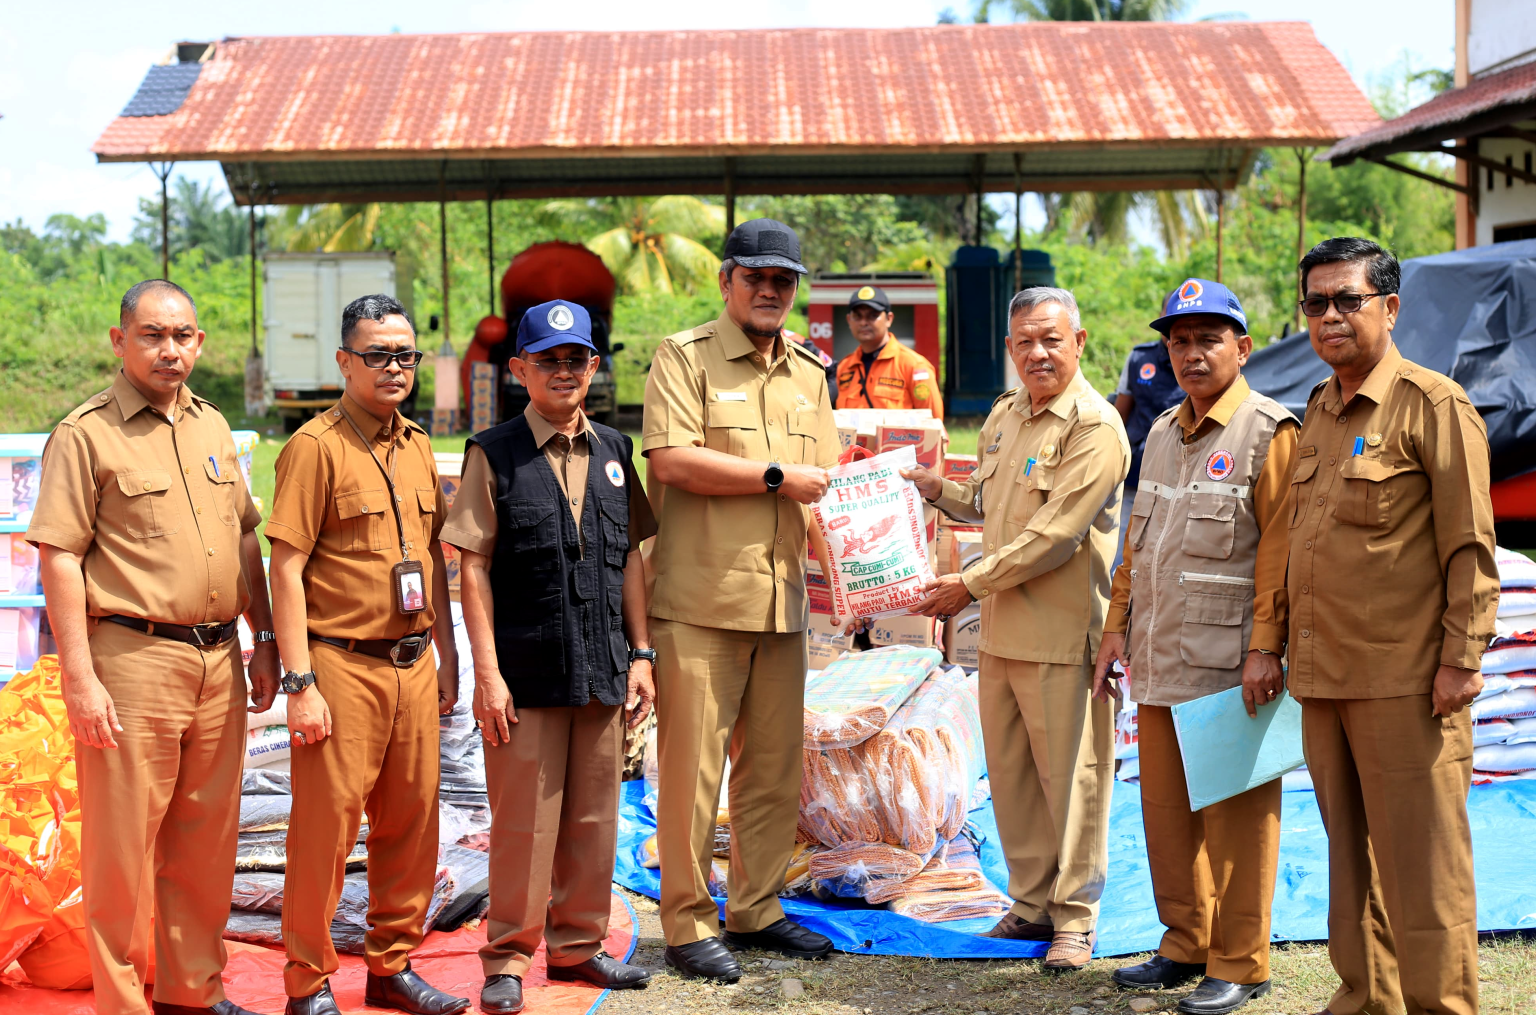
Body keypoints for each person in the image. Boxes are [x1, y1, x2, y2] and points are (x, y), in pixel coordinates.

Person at [28, 279, 279, 1015]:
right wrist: (80, 676)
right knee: (123, 856)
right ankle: (125, 1003)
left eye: (183, 336)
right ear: (120, 340)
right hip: (132, 661)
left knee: (204, 844)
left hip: (217, 660)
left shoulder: (211, 427)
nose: (170, 349)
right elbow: (60, 556)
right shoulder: (87, 433)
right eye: (152, 335)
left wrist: (262, 638)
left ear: (199, 342)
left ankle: (191, 993)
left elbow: (243, 538)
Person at [1286, 238, 1497, 1015]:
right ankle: (1365, 999)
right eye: (1317, 302)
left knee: (1424, 869)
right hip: (1324, 682)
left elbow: (1470, 545)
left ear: (1390, 307)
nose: (1331, 316)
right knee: (1349, 865)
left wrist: (1461, 661)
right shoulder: (1318, 409)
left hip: (1407, 684)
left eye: (1349, 299)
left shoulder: (1434, 405)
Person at [441, 300, 658, 1014]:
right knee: (524, 824)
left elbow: (630, 558)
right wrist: (489, 673)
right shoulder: (492, 451)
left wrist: (642, 653)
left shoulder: (617, 453)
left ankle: (577, 946)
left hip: (600, 663)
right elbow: (471, 566)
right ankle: (506, 957)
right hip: (525, 670)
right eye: (548, 359)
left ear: (594, 366)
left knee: (595, 819)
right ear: (519, 370)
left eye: (576, 359)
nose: (563, 372)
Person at [902, 286, 1129, 971]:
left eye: (1051, 339)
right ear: (1009, 349)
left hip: (1064, 640)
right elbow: (984, 500)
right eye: (1025, 341)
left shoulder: (1094, 427)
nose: (1038, 352)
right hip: (999, 636)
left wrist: (966, 584)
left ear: (1079, 342)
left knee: (1075, 784)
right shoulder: (1003, 417)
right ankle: (1031, 902)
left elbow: (1054, 535)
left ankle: (1076, 919)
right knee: (1014, 778)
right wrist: (929, 485)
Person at [1092, 279, 1298, 1014]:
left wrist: (1267, 647)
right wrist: (1116, 625)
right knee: (1166, 815)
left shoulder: (1270, 431)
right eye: (1179, 340)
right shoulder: (1158, 432)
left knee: (1238, 818)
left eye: (1208, 337)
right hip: (1157, 655)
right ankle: (1185, 941)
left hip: (1229, 662)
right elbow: (1135, 544)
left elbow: (1281, 551)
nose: (1191, 352)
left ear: (1242, 348)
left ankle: (1240, 960)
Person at [642, 218, 840, 982]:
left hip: (782, 603)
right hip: (699, 602)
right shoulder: (684, 357)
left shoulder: (810, 373)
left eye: (782, 279)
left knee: (772, 770)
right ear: (727, 280)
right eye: (755, 276)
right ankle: (689, 921)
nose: (769, 289)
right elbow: (670, 458)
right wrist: (771, 476)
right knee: (692, 773)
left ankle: (757, 907)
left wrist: (858, 579)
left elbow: (823, 487)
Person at [267, 294, 468, 1015]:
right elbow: (284, 568)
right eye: (377, 354)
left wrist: (446, 653)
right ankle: (307, 982)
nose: (393, 366)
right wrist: (300, 681)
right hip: (341, 663)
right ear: (345, 361)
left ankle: (390, 965)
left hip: (413, 663)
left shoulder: (416, 445)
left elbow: (433, 562)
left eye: (405, 354)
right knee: (324, 831)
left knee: (411, 823)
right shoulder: (314, 447)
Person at [1111, 335, 1182, 569]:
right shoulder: (1140, 357)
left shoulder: (1195, 360)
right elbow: (1120, 412)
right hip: (1138, 465)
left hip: (1179, 469)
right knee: (1125, 537)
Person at [833, 285, 943, 418]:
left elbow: (935, 424)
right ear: (849, 320)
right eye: (857, 316)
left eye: (873, 316)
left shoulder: (914, 367)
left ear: (889, 319)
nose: (863, 322)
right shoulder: (843, 368)